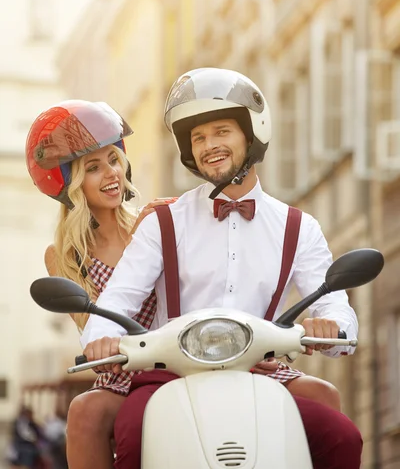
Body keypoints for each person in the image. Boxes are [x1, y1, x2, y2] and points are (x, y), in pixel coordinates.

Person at [81, 68, 362, 469]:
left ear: (250, 134)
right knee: (131, 434)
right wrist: (102, 338)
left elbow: (335, 304)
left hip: (260, 373)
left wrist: (331, 326)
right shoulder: (165, 221)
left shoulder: (298, 227)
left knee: (342, 437)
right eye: (198, 138)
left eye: (221, 131)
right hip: (171, 376)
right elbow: (119, 294)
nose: (210, 145)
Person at [25, 100, 176, 469]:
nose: (110, 173)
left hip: (183, 357)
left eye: (113, 159)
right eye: (92, 168)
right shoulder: (63, 257)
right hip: (125, 374)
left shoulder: (156, 222)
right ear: (69, 185)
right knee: (84, 411)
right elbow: (94, 337)